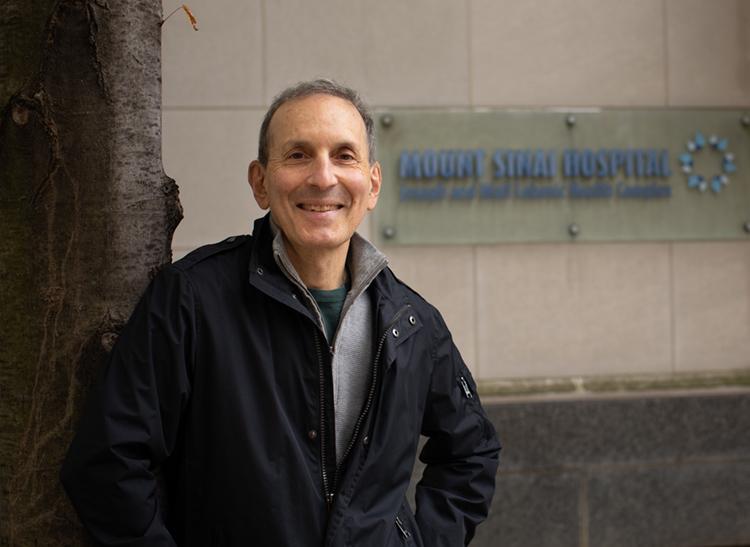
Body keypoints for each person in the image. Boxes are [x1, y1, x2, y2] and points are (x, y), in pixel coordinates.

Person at [61, 79, 501, 546]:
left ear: (372, 185)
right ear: (260, 182)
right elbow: (108, 464)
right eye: (298, 155)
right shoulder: (193, 299)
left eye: (344, 155)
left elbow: (471, 451)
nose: (323, 177)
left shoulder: (412, 323)